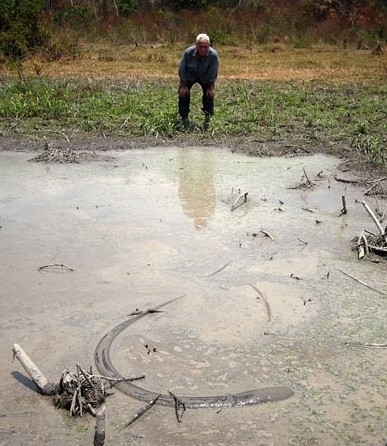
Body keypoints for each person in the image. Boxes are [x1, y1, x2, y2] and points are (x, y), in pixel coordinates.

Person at [177, 33, 219, 130]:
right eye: (200, 47)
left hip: (205, 77)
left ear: (209, 46)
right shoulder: (188, 53)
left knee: (209, 94)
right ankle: (184, 118)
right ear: (196, 46)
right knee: (183, 93)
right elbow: (182, 69)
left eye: (205, 47)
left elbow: (213, 72)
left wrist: (210, 87)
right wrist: (183, 85)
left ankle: (208, 118)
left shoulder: (213, 55)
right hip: (189, 76)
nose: (203, 49)